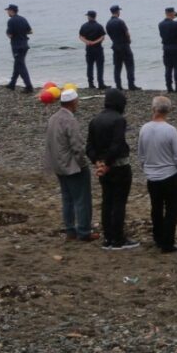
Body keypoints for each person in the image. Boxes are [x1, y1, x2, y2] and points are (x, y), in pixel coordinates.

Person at [86, 88, 140, 250]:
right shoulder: (119, 120)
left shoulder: (95, 120)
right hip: (119, 167)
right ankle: (118, 239)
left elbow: (89, 146)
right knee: (119, 203)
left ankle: (108, 237)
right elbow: (117, 145)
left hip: (103, 167)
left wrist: (97, 162)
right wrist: (107, 164)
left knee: (107, 201)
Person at [43, 88, 98, 242]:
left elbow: (49, 143)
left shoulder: (53, 118)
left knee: (67, 199)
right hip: (72, 166)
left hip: (58, 165)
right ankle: (84, 231)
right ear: (73, 102)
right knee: (82, 200)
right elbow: (78, 146)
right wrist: (83, 164)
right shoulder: (70, 120)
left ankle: (70, 230)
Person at [137, 95, 177, 253]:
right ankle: (167, 242)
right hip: (170, 174)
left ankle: (158, 237)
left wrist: (146, 168)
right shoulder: (170, 130)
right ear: (168, 110)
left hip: (152, 175)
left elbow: (141, 154)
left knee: (156, 208)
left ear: (153, 109)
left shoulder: (144, 128)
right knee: (172, 209)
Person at [106, 4, 139, 91]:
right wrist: (129, 40)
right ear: (117, 12)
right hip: (124, 45)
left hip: (115, 46)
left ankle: (118, 86)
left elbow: (109, 35)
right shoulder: (120, 22)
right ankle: (131, 85)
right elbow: (127, 33)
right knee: (129, 65)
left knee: (117, 67)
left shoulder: (108, 23)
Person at [5, 3, 34, 93]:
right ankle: (12, 84)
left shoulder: (11, 21)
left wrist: (9, 34)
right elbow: (30, 31)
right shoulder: (23, 19)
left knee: (21, 66)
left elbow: (10, 35)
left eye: (8, 11)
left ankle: (29, 86)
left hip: (17, 46)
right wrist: (22, 33)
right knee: (18, 64)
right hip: (25, 45)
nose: (7, 13)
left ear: (11, 11)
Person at [158, 7, 177, 93]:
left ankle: (169, 87)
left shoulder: (160, 24)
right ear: (172, 13)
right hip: (175, 47)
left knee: (168, 68)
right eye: (174, 13)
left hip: (166, 48)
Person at [78, 10, 107, 90]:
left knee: (90, 66)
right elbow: (102, 37)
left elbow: (81, 36)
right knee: (100, 66)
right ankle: (101, 84)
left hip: (89, 48)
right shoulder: (99, 26)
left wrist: (87, 42)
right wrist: (95, 42)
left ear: (89, 16)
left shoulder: (84, 26)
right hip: (98, 48)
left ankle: (91, 84)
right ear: (95, 16)